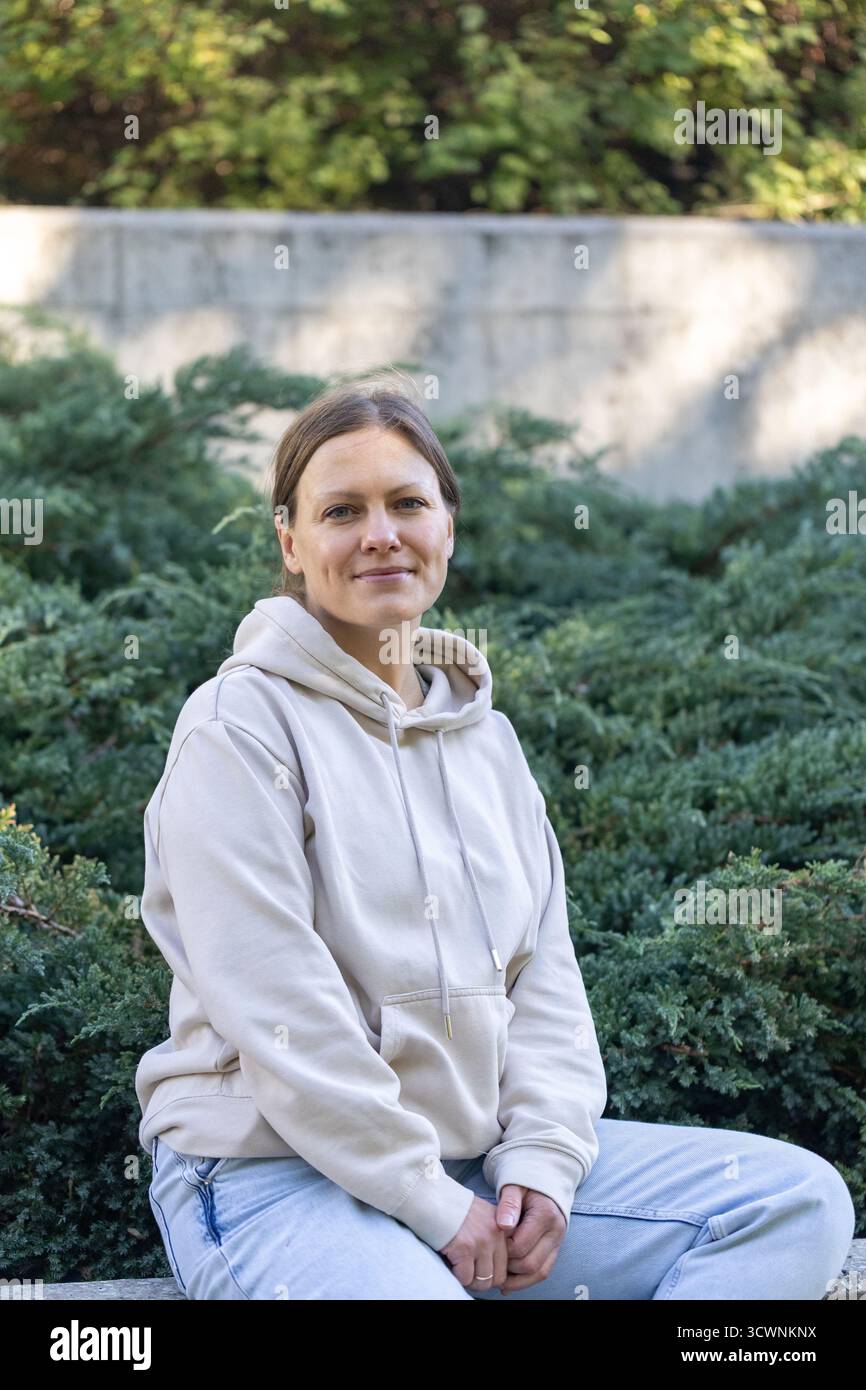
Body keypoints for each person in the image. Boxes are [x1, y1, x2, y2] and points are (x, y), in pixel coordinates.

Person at [138, 380, 855, 1300]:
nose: (380, 534)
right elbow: (281, 1013)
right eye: (341, 510)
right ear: (291, 541)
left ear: (448, 528)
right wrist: (430, 1204)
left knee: (792, 1204)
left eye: (407, 503)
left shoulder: (488, 739)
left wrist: (544, 1168)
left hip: (474, 1166)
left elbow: (545, 978)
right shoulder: (235, 728)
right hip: (271, 1173)